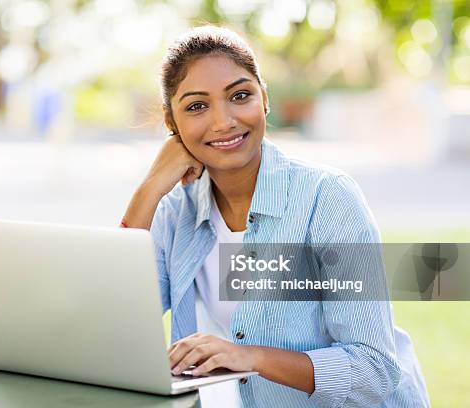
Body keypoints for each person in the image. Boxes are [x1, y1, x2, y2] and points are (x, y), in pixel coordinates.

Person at [122, 26, 429, 407]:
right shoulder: (177, 210)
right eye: (197, 106)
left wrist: (249, 358)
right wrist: (149, 189)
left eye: (240, 96)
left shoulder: (327, 199)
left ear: (264, 98)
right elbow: (116, 323)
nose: (224, 122)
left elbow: (374, 369)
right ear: (172, 123)